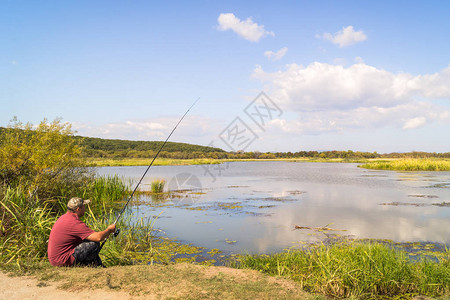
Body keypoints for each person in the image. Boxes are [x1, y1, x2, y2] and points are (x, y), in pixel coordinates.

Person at [48, 197, 116, 267]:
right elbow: (98, 237)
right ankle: (90, 265)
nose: (85, 208)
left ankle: (97, 265)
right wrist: (109, 230)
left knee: (89, 240)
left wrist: (105, 233)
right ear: (78, 209)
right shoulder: (74, 223)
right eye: (84, 206)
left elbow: (92, 235)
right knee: (94, 244)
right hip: (62, 261)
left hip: (55, 259)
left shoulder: (64, 217)